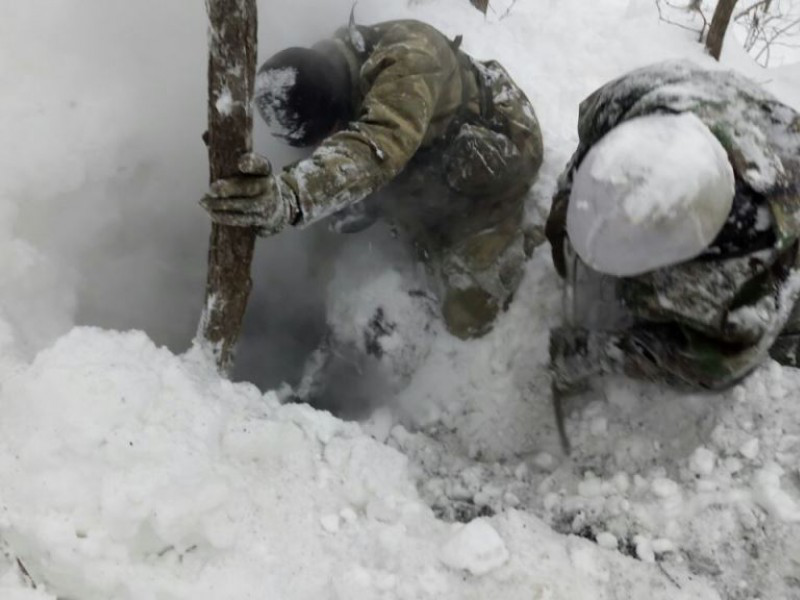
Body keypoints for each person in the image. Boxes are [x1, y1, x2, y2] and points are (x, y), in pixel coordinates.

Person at [202, 18, 543, 341]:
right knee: (328, 225)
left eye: (329, 134)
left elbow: (381, 145)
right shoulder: (326, 71)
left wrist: (291, 195)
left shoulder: (410, 60)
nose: (322, 146)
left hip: (490, 161)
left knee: (467, 316)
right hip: (425, 154)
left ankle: (514, 237)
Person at [546, 60, 800, 397]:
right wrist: (567, 218)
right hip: (722, 104)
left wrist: (605, 352)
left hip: (782, 168)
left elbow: (714, 364)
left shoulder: (754, 251)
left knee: (780, 330)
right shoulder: (629, 99)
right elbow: (583, 163)